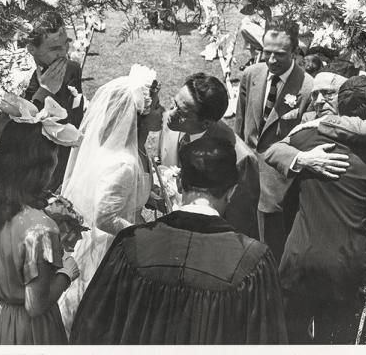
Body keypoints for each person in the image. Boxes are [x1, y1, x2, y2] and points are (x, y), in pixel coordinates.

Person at [70, 138, 288, 344]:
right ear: (232, 190)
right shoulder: (251, 261)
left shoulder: (130, 245)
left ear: (181, 184)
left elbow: (90, 331)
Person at [276, 76, 366, 344]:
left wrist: (301, 159)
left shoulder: (308, 137)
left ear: (340, 103)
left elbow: (271, 151)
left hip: (300, 261)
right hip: (346, 267)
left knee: (289, 340)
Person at [58, 64, 164, 335]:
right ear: (139, 115)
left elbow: (122, 193)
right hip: (107, 251)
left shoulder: (133, 152)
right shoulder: (123, 163)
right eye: (158, 106)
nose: (163, 111)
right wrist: (145, 234)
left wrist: (147, 198)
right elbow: (105, 216)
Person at [0, 95, 83, 344]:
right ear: (41, 169)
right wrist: (66, 273)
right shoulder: (40, 229)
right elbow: (35, 305)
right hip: (23, 329)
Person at [235, 21, 313, 258]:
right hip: (244, 177)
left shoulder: (308, 88)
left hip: (279, 189)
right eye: (266, 52)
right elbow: (240, 126)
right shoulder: (251, 75)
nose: (270, 60)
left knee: (270, 251)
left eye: (279, 54)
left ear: (295, 52)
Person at [159, 73, 260, 239]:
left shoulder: (241, 160)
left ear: (205, 123)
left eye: (182, 112)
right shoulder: (171, 124)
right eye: (174, 103)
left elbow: (239, 225)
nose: (171, 113)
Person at [24, 11, 85, 192]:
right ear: (31, 49)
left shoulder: (71, 69)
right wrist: (44, 91)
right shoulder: (21, 81)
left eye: (65, 44)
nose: (63, 54)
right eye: (54, 49)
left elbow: (76, 118)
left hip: (64, 170)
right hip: (30, 177)